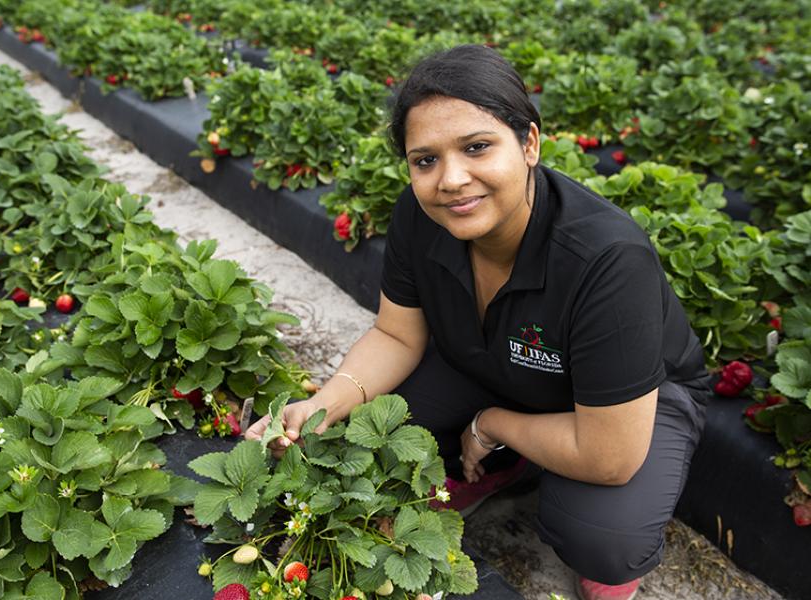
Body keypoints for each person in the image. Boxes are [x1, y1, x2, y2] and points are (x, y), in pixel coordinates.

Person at [246, 44, 711, 600]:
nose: (451, 179)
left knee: (602, 535)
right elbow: (396, 334)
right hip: (496, 360)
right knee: (372, 428)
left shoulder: (606, 260)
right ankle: (510, 464)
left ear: (530, 144)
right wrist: (324, 403)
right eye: (426, 160)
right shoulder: (420, 219)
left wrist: (490, 424)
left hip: (629, 407)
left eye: (476, 147)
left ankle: (514, 453)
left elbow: (610, 457)